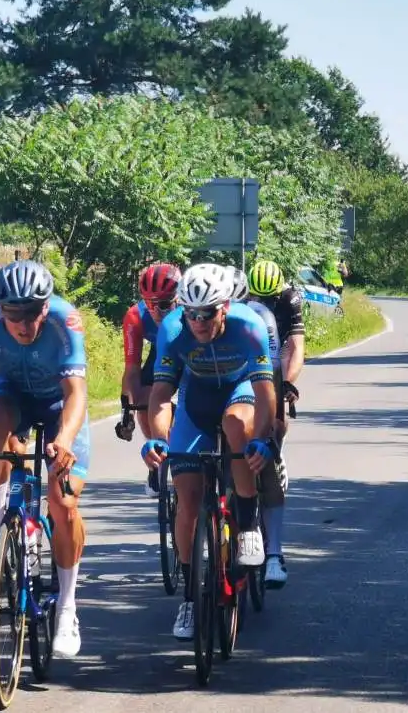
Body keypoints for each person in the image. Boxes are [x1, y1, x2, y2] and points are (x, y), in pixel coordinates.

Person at [0, 259, 89, 658]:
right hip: (12, 394)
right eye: (14, 314)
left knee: (63, 505)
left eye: (33, 313)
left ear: (46, 306)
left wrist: (64, 439)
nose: (24, 324)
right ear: (0, 309)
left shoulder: (66, 320)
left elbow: (76, 393)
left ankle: (67, 609)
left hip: (58, 403)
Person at [142, 263, 276, 640]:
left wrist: (263, 439)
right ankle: (189, 597)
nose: (198, 322)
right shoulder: (172, 329)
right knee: (187, 498)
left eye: (207, 313)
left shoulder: (250, 326)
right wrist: (157, 438)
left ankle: (248, 525)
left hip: (238, 392)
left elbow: (267, 395)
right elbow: (161, 395)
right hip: (196, 402)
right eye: (191, 313)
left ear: (225, 308)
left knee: (238, 428)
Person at [245, 259, 304, 587]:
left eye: (270, 298)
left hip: (276, 355)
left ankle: (274, 460)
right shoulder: (242, 303)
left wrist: (286, 386)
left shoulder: (289, 299)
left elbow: (295, 348)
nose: (263, 304)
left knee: (274, 424)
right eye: (258, 297)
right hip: (250, 357)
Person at [119, 262, 182, 498]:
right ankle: (157, 456)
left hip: (189, 355)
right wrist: (127, 409)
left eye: (164, 305)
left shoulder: (190, 311)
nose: (156, 311)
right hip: (160, 356)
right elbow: (132, 369)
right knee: (143, 402)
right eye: (149, 304)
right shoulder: (135, 316)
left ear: (179, 299)